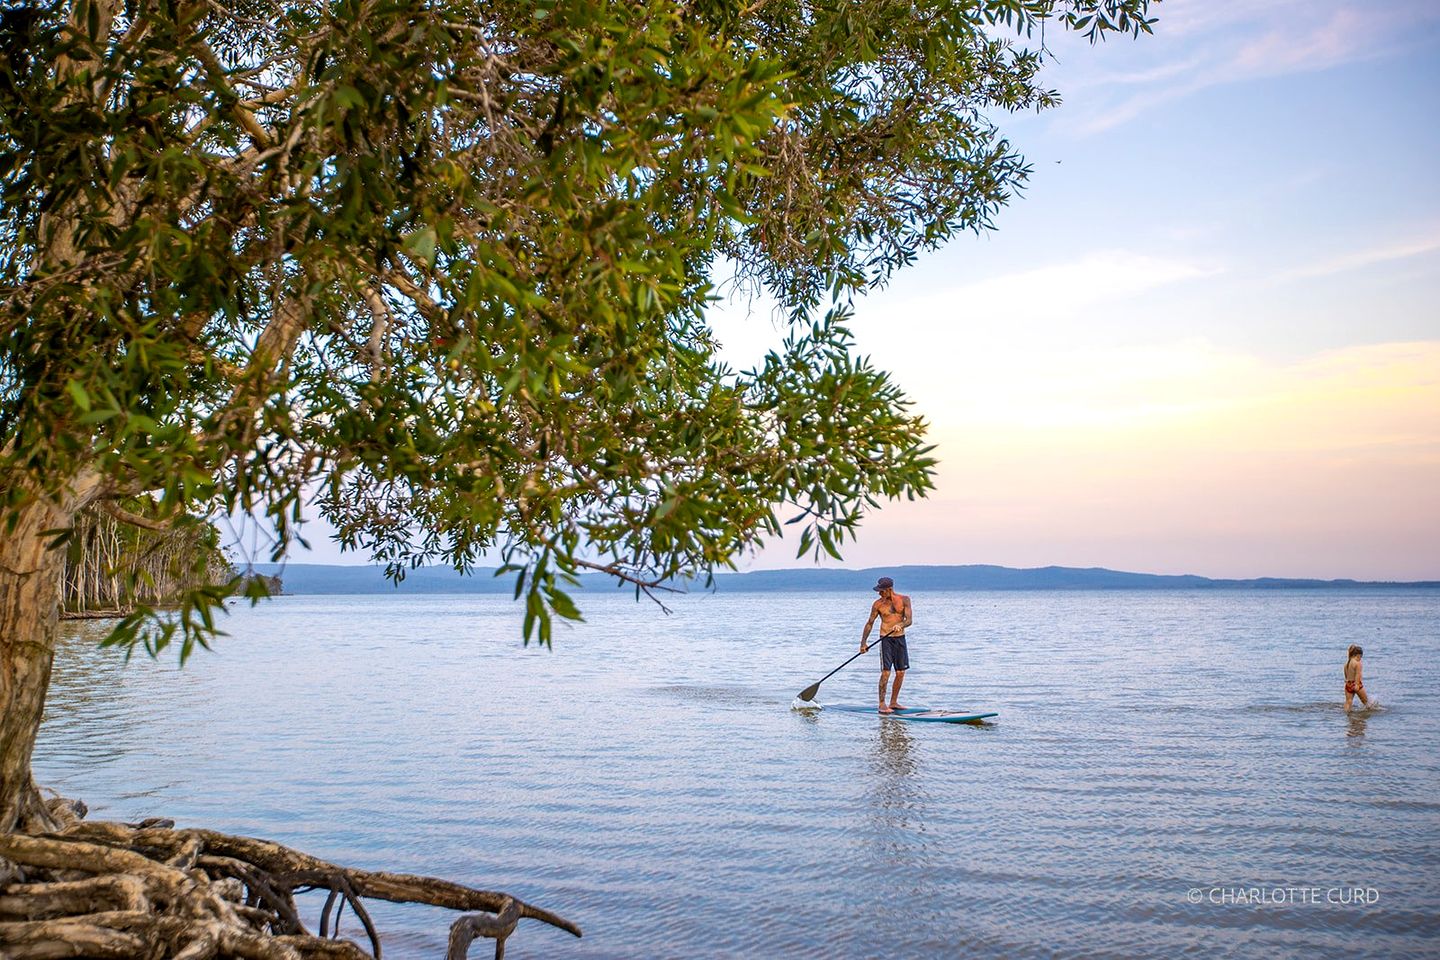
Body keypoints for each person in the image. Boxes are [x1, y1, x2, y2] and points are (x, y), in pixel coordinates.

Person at [860, 576, 913, 714]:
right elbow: (869, 623)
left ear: (889, 589)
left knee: (900, 672)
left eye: (881, 591)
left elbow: (909, 620)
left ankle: (893, 702)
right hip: (886, 640)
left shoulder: (905, 600)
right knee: (886, 672)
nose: (879, 593)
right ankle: (882, 704)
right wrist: (863, 643)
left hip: (900, 639)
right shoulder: (878, 604)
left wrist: (900, 625)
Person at [1343, 644, 1371, 713]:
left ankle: (1347, 714)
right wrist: (1357, 685)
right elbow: (1358, 674)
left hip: (1348, 684)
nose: (1360, 658)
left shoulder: (1346, 663)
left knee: (1348, 702)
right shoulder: (1357, 663)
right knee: (1366, 702)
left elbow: (1346, 675)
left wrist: (1348, 682)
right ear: (1358, 655)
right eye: (1361, 657)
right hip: (1356, 684)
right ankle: (1370, 712)